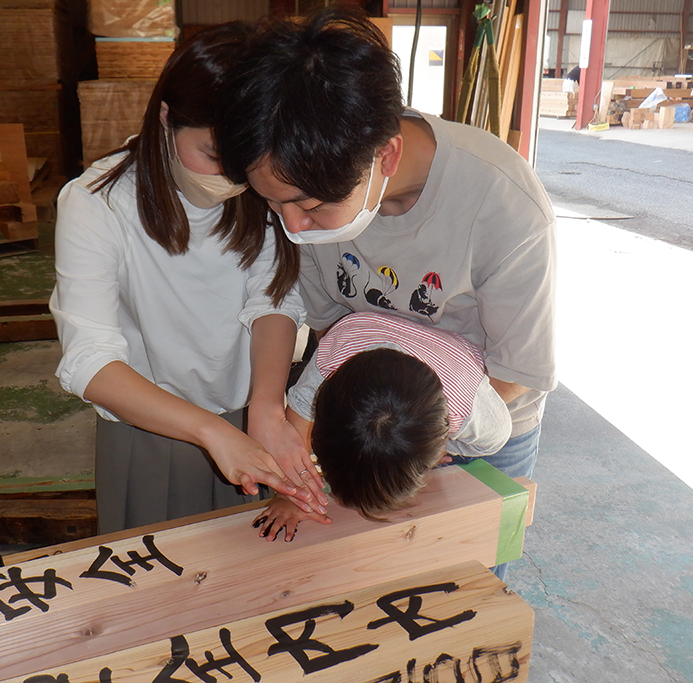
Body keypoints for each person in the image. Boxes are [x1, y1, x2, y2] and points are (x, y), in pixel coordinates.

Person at [217, 8, 556, 578]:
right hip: (374, 415)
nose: (292, 227)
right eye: (272, 203)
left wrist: (415, 439)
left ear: (386, 157)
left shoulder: (502, 204)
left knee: (461, 588)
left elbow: (518, 368)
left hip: (482, 416)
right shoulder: (317, 181)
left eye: (308, 205)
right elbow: (329, 337)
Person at [49, 22, 325, 535]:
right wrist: (211, 433)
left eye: (243, 163)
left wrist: (266, 407)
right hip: (149, 431)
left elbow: (274, 300)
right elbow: (90, 362)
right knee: (157, 580)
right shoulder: (96, 204)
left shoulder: (260, 188)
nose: (229, 179)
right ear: (166, 116)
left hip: (253, 414)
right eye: (214, 156)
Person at [253, 312, 512, 542]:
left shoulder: (468, 406)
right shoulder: (334, 352)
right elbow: (292, 437)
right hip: (361, 331)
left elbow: (492, 442)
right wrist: (290, 496)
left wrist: (430, 452)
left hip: (458, 358)